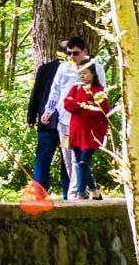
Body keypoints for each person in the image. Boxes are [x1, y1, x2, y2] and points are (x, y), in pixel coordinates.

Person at [28, 35, 86, 196]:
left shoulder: (45, 69)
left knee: (45, 158)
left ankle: (40, 194)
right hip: (64, 120)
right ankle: (68, 193)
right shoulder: (78, 69)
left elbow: (36, 95)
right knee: (66, 159)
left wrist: (31, 118)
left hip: (50, 121)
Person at [62, 61, 110, 198]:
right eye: (80, 73)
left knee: (84, 161)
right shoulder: (76, 88)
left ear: (93, 73)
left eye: (85, 73)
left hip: (92, 132)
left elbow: (100, 110)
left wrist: (82, 105)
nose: (82, 76)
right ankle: (94, 190)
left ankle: (81, 192)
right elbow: (67, 104)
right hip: (77, 130)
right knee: (79, 162)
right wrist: (83, 104)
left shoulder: (99, 90)